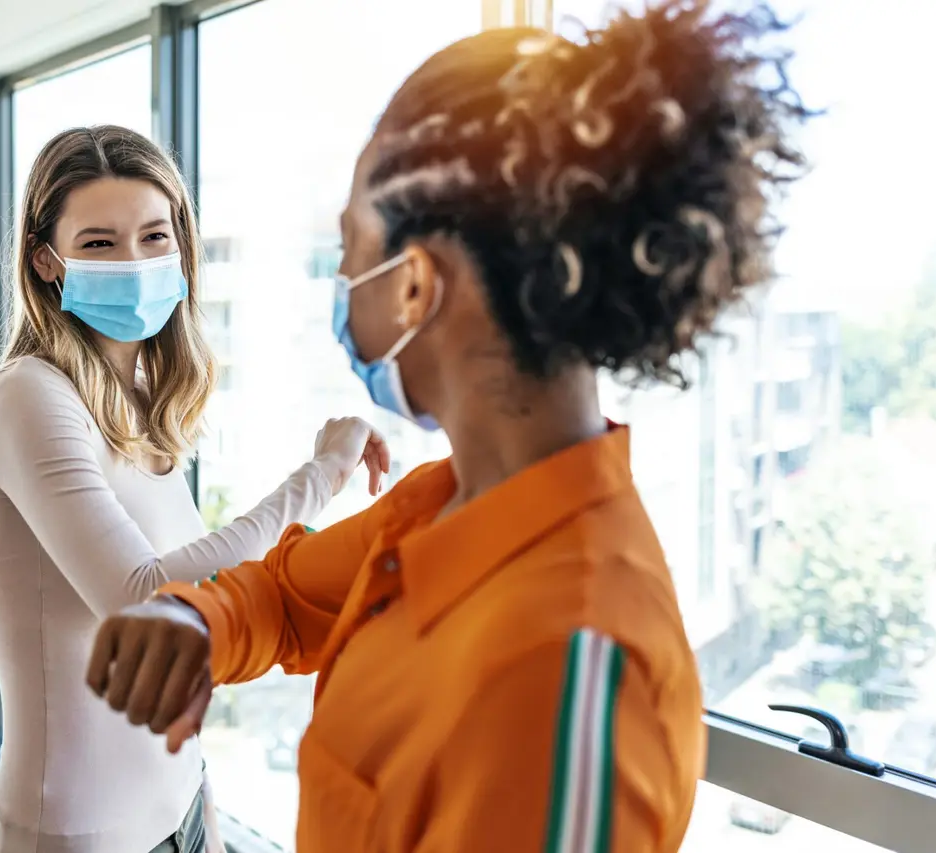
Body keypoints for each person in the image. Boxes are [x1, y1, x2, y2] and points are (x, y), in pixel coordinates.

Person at [86, 3, 811, 851]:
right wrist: (197, 624)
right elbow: (285, 596)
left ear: (415, 286)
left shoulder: (574, 666)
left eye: (351, 245)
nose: (345, 274)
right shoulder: (442, 505)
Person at [0, 125, 390, 853]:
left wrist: (202, 807)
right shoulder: (27, 396)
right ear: (45, 261)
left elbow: (196, 599)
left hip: (180, 808)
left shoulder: (138, 399)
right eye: (99, 243)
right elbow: (149, 598)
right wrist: (322, 474)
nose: (135, 261)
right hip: (76, 836)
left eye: (155, 236)